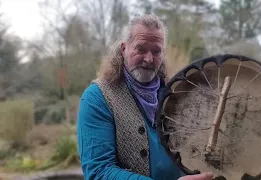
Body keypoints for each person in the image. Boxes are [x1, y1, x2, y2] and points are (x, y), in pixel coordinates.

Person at [77, 14, 214, 180]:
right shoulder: (97, 98)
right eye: (141, 49)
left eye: (156, 51)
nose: (149, 59)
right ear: (124, 48)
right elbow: (98, 172)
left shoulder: (175, 93)